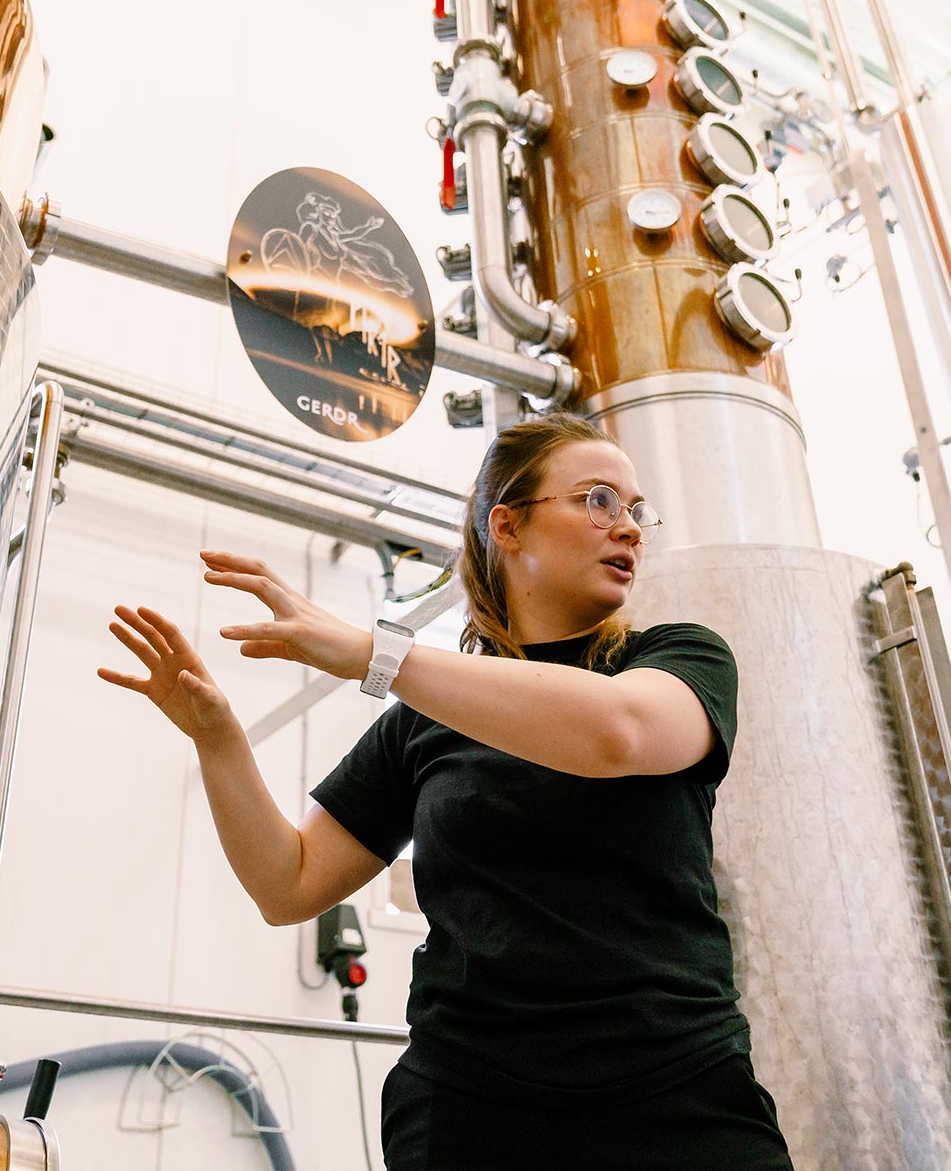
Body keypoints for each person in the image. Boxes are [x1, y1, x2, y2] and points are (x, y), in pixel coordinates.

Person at [98, 413, 791, 1170]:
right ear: (509, 526)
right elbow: (287, 884)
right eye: (598, 500)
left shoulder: (677, 658)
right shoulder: (425, 721)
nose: (627, 527)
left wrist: (377, 654)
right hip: (470, 1110)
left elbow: (615, 735)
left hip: (678, 1094)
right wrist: (218, 738)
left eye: (635, 509)